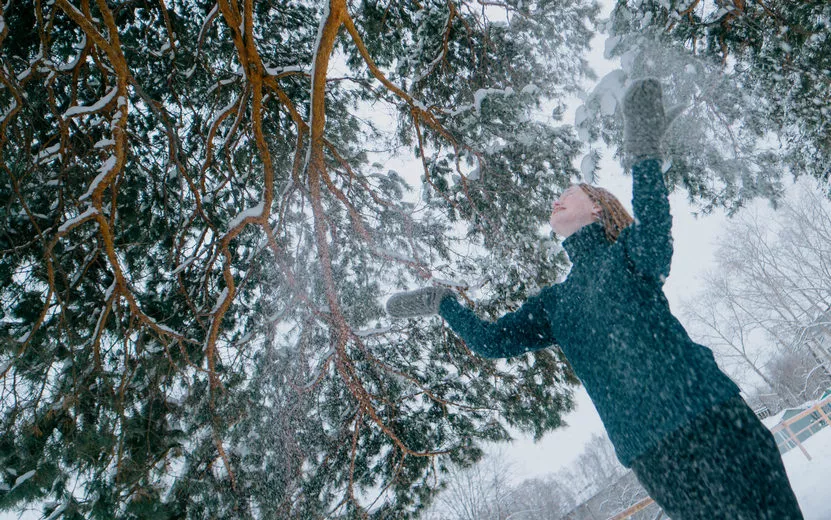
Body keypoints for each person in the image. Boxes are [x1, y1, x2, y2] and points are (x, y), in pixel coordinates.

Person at [386, 79, 804, 519]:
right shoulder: (554, 304)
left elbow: (657, 229)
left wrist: (642, 150)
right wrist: (442, 303)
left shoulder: (628, 256)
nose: (556, 198)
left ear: (598, 208)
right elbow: (491, 342)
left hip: (712, 416)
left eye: (571, 191)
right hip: (652, 456)